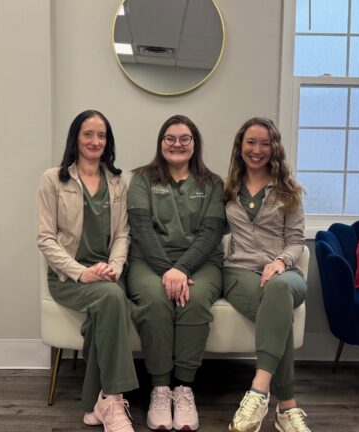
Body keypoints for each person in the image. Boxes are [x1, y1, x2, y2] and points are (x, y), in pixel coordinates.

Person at [37, 110, 137, 432]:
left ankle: (100, 402)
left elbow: (123, 234)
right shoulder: (54, 179)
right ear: (76, 138)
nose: (95, 141)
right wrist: (80, 272)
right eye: (88, 134)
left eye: (102, 135)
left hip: (107, 274)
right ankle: (113, 397)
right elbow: (46, 238)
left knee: (108, 302)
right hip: (69, 277)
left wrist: (115, 267)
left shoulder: (117, 182)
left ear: (108, 142)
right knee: (112, 301)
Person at [127, 114, 225, 431]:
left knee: (193, 301)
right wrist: (167, 270)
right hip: (149, 260)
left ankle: (183, 389)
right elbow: (141, 228)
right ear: (161, 143)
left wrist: (181, 269)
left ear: (195, 144)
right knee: (156, 300)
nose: (177, 144)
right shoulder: (142, 178)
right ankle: (160, 388)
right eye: (170, 138)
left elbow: (211, 233)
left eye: (185, 138)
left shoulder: (212, 183)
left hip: (201, 262)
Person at [222, 118, 311, 432]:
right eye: (251, 142)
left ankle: (258, 391)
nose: (257, 150)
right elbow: (207, 232)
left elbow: (297, 241)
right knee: (279, 315)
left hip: (286, 274)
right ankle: (286, 408)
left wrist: (280, 262)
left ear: (274, 148)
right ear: (240, 146)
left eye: (264, 143)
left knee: (278, 290)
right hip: (239, 272)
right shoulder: (227, 189)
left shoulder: (289, 190)